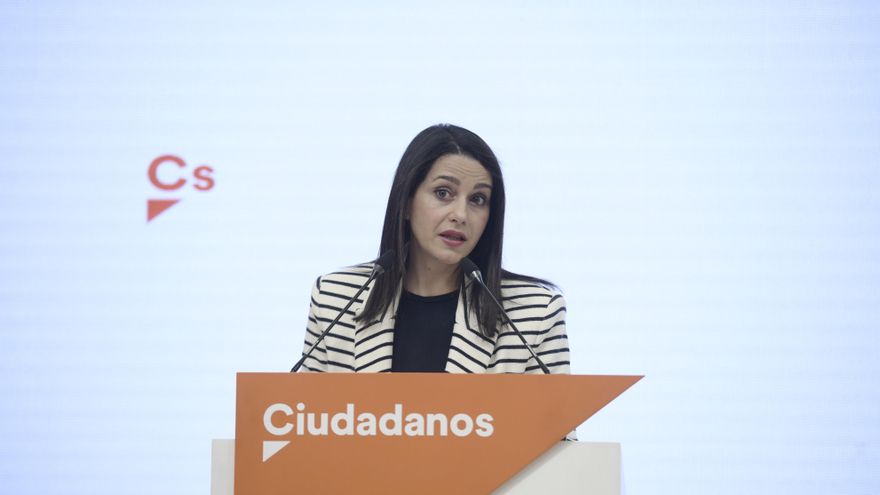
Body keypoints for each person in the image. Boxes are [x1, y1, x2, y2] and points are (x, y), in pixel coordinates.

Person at [299, 124, 570, 375]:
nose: (460, 214)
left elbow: (558, 428)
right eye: (443, 193)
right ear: (406, 201)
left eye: (478, 199)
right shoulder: (334, 300)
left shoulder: (534, 313)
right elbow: (304, 421)